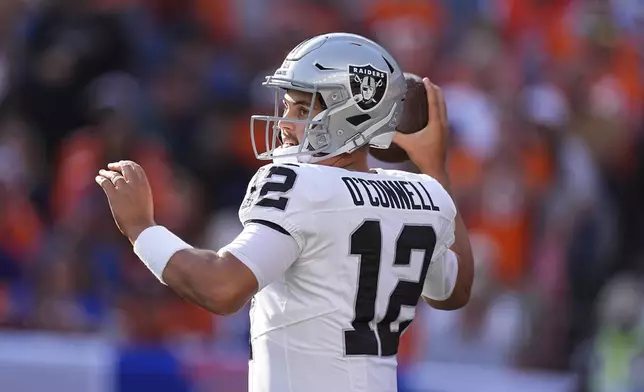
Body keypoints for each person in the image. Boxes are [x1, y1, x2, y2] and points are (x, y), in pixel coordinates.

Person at [95, 32, 474, 392]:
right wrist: (436, 170)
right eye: (288, 106)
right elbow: (451, 291)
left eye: (303, 109)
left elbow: (221, 288)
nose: (285, 125)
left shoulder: (299, 185)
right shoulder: (426, 194)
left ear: (352, 115)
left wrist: (142, 230)